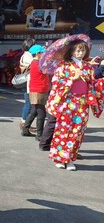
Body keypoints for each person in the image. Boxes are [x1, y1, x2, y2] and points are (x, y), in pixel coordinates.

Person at [45, 39, 102, 171]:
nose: (80, 52)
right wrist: (72, 79)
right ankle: (59, 158)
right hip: (67, 102)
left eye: (82, 50)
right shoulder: (63, 66)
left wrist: (93, 81)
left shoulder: (88, 67)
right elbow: (57, 84)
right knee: (63, 130)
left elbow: (93, 85)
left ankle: (70, 158)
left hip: (82, 104)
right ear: (71, 51)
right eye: (77, 50)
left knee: (77, 131)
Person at [21, 45, 49, 139]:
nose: (44, 54)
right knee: (41, 113)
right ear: (37, 54)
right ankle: (39, 135)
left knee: (34, 111)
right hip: (38, 90)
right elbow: (47, 71)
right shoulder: (38, 64)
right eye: (42, 52)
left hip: (36, 89)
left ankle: (25, 129)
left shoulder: (35, 62)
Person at [18, 38, 35, 132]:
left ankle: (26, 123)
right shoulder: (27, 56)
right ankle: (24, 123)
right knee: (29, 103)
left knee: (29, 103)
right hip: (28, 82)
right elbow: (32, 66)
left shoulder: (26, 55)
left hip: (29, 82)